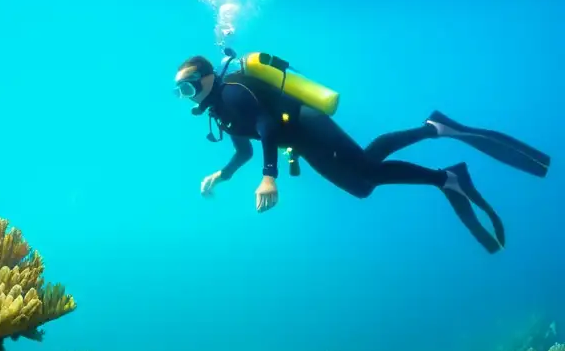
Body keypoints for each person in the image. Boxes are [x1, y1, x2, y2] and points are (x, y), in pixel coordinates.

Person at [175, 54, 551, 253]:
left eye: (189, 86)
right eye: (181, 91)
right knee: (362, 185)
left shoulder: (233, 94)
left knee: (367, 170)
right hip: (300, 143)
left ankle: (440, 161)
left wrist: (269, 176)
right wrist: (220, 176)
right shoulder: (217, 112)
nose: (187, 95)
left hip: (308, 124)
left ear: (208, 77)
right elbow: (243, 149)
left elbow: (266, 128)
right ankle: (437, 141)